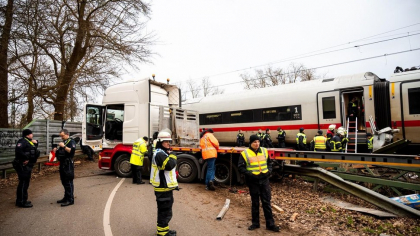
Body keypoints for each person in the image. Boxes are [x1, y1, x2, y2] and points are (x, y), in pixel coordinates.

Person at [238, 135, 280, 233]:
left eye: (258, 142)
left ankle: (270, 224)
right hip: (253, 181)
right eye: (254, 142)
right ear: (250, 143)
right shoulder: (245, 153)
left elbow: (269, 163)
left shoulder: (264, 151)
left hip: (264, 180)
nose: (257, 144)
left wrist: (269, 172)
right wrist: (251, 174)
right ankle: (255, 223)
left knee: (266, 203)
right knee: (255, 203)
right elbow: (241, 167)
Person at [150, 131, 178, 236]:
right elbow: (169, 165)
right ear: (160, 142)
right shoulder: (160, 154)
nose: (168, 143)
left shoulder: (162, 152)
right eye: (166, 141)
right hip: (163, 189)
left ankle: (164, 230)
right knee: (164, 211)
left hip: (165, 188)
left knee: (165, 211)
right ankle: (162, 233)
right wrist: (174, 155)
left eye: (169, 141)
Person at [13, 129, 40, 208]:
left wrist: (35, 144)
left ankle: (22, 199)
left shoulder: (29, 141)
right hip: (22, 165)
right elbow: (18, 151)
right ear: (28, 135)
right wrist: (26, 158)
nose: (32, 135)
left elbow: (33, 151)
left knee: (25, 182)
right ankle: (21, 201)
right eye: (31, 134)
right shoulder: (22, 141)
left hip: (27, 166)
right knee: (24, 183)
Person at [54, 129, 76, 207]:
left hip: (68, 164)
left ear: (67, 134)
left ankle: (70, 199)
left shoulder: (71, 142)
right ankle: (66, 197)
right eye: (61, 136)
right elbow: (61, 153)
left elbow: (71, 151)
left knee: (68, 182)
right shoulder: (64, 142)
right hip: (62, 164)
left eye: (62, 136)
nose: (61, 137)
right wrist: (56, 151)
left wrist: (64, 146)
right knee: (64, 181)